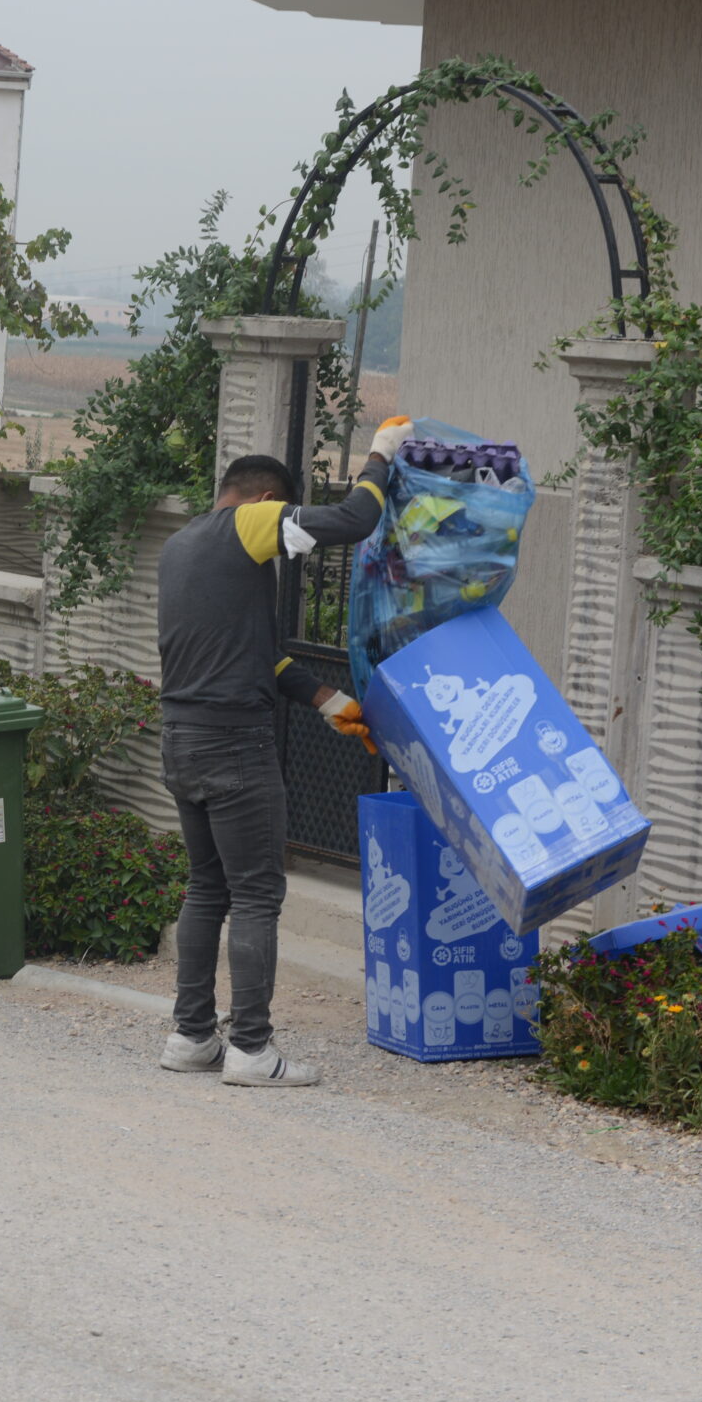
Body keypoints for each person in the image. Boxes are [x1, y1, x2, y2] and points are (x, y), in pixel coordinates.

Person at [155, 419, 410, 1086]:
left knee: (208, 886)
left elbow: (258, 657)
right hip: (233, 743)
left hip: (181, 739)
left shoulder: (179, 547)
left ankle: (190, 1037)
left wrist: (331, 701)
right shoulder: (248, 524)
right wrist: (382, 454)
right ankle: (251, 1048)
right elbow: (354, 518)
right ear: (265, 499)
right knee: (258, 894)